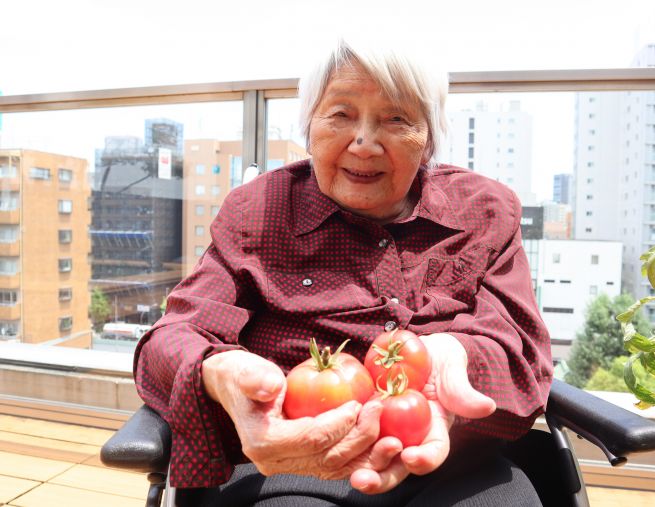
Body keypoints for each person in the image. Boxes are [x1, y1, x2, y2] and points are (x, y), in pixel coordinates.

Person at [134, 39, 553, 506]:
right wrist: (220, 370)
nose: (365, 142)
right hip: (295, 460)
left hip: (456, 459)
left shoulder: (485, 211)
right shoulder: (259, 210)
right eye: (340, 114)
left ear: (429, 138)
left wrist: (453, 355)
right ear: (309, 127)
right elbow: (171, 338)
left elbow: (522, 351)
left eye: (397, 119)